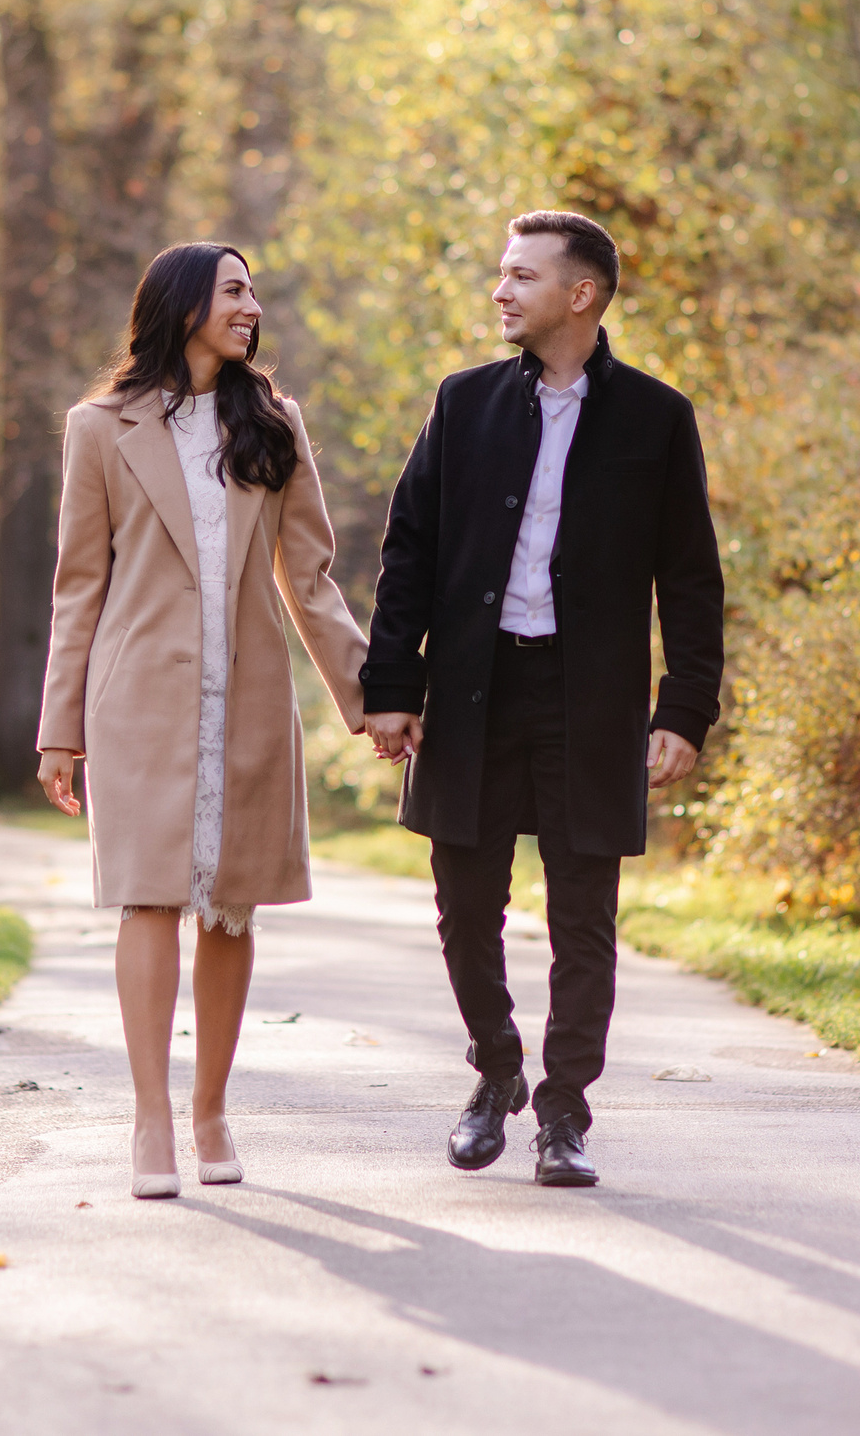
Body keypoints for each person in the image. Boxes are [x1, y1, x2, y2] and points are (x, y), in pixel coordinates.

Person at [360, 210, 724, 1188]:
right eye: (500, 273)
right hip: (473, 688)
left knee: (583, 916)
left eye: (521, 275)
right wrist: (392, 685)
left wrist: (684, 709)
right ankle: (495, 1073)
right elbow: (409, 551)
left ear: (581, 294)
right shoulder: (464, 402)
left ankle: (563, 1110)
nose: (500, 290)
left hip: (590, 698)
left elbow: (690, 580)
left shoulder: (656, 419)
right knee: (463, 902)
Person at [36, 242, 370, 1200]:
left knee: (231, 903)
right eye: (234, 290)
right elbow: (77, 586)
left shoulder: (274, 422)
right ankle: (150, 1120)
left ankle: (211, 1109)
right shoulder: (99, 429)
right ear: (183, 306)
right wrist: (62, 726)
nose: (252, 306)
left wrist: (368, 697)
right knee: (149, 896)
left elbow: (309, 577)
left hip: (250, 691)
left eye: (253, 291)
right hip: (136, 695)